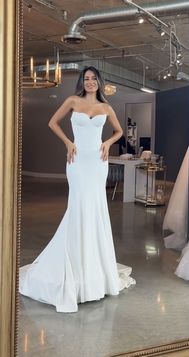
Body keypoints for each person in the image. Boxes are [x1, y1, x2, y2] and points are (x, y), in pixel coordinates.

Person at [19, 66, 135, 313]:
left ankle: (95, 267)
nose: (90, 82)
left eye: (94, 79)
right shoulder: (72, 101)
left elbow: (119, 131)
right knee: (78, 207)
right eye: (87, 78)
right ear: (82, 82)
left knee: (95, 209)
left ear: (99, 83)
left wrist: (107, 142)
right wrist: (68, 142)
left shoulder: (106, 108)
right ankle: (75, 262)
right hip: (77, 161)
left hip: (97, 163)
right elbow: (52, 122)